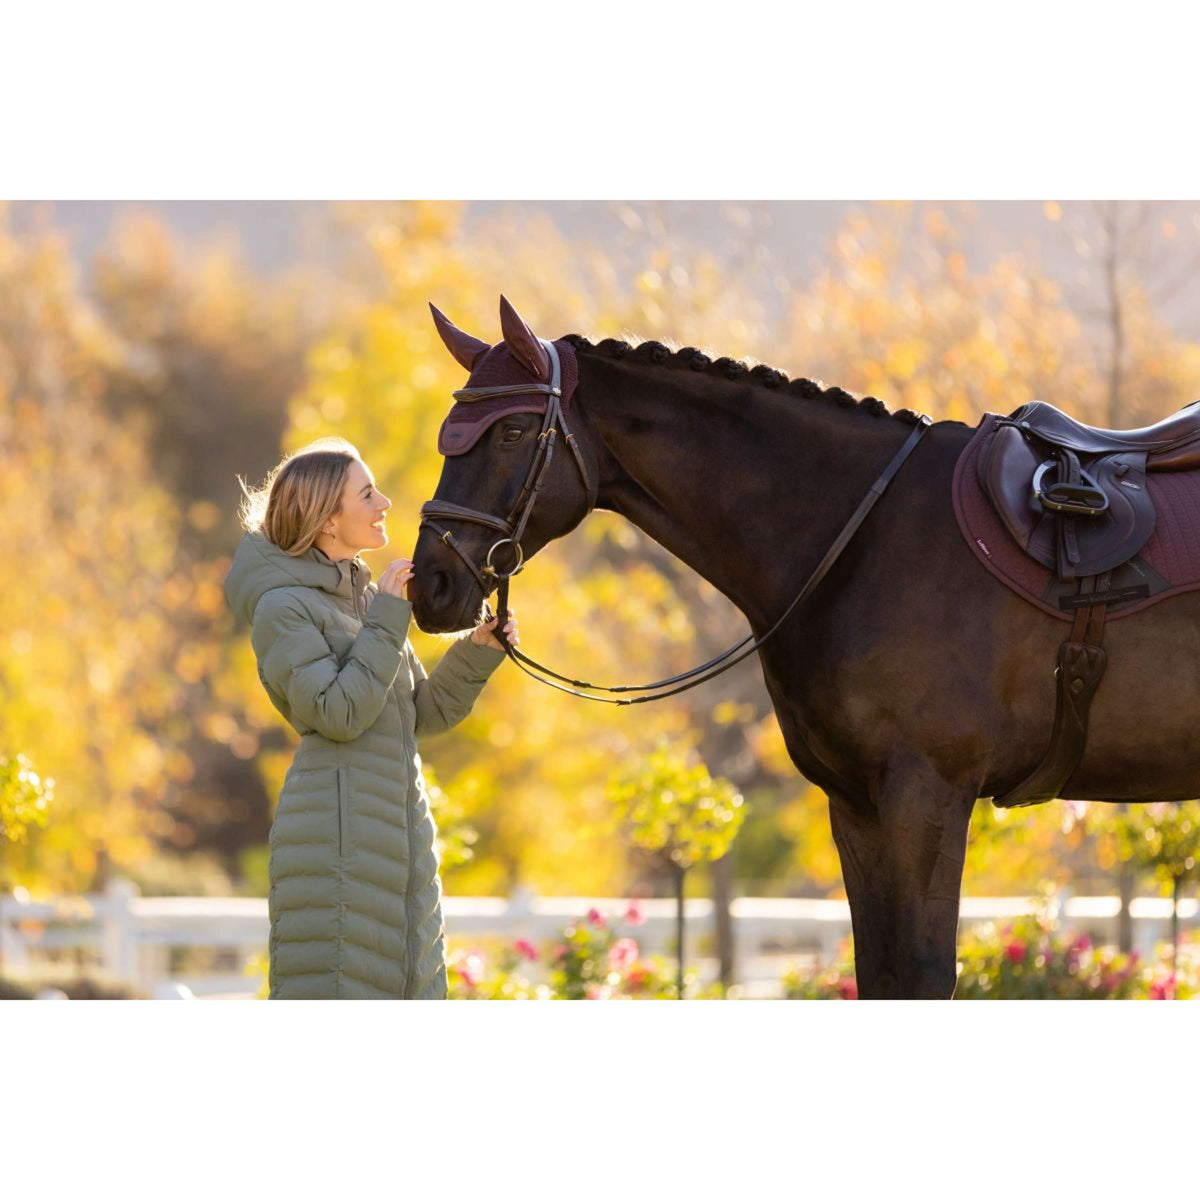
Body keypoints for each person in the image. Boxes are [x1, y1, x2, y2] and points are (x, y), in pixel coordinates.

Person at [223, 437, 516, 999]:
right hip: (337, 847)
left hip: (398, 839)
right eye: (367, 493)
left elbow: (419, 716)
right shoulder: (283, 607)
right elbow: (340, 713)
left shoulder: (361, 600)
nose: (385, 503)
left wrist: (477, 650)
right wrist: (388, 617)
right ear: (328, 521)